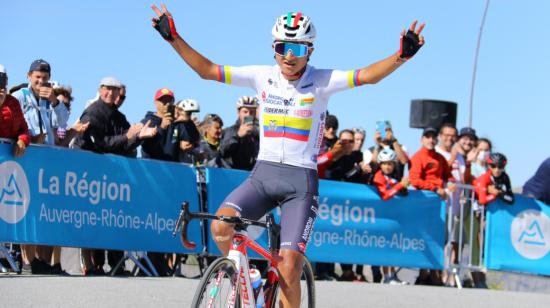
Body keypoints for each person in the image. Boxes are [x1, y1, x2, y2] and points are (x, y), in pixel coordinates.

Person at [151, 4, 424, 305]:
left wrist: (402, 56)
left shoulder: (322, 81)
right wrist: (173, 38)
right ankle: (248, 276)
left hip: (300, 184)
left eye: (296, 47)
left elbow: (368, 76)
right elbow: (207, 70)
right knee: (220, 226)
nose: (289, 55)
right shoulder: (262, 76)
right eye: (283, 47)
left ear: (309, 50)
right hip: (262, 178)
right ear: (274, 48)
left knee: (288, 268)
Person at [75, 77, 157, 275]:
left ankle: (117, 264)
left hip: (113, 177)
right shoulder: (93, 112)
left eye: (115, 91)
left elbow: (125, 144)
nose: (111, 94)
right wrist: (127, 137)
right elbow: (100, 143)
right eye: (108, 90)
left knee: (113, 219)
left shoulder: (119, 116)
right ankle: (95, 265)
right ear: (100, 90)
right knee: (94, 220)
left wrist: (138, 137)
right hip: (91, 176)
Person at [409, 127, 455, 286]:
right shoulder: (418, 157)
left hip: (439, 205)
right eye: (427, 137)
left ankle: (433, 272)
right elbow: (414, 180)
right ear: (422, 139)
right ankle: (423, 274)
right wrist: (435, 188)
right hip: (424, 203)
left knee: (442, 237)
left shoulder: (440, 158)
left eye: (433, 137)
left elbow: (448, 175)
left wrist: (450, 182)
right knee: (425, 238)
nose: (431, 140)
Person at [372, 148, 409, 284]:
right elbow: (385, 195)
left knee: (391, 246)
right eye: (385, 163)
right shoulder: (378, 176)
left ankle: (392, 274)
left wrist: (403, 187)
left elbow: (398, 188)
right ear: (380, 164)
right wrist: (400, 185)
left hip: (390, 217)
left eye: (390, 164)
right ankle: (387, 276)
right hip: (380, 217)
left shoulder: (391, 178)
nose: (387, 167)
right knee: (385, 246)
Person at [218, 95, 259, 170]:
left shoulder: (258, 133)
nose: (248, 115)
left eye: (251, 112)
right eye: (245, 112)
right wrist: (237, 136)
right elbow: (223, 152)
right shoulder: (231, 130)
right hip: (234, 174)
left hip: (253, 175)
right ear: (238, 112)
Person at [0, 64, 30, 157]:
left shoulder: (13, 102)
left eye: (2, 80)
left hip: (8, 161)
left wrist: (22, 140)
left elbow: (23, 128)